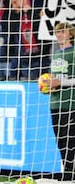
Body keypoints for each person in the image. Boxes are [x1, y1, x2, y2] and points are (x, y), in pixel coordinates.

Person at [48, 22, 75, 181]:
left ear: (70, 34)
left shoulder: (73, 53)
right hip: (55, 102)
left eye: (62, 32)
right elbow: (54, 79)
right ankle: (67, 171)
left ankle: (69, 174)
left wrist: (61, 83)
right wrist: (46, 85)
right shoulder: (55, 54)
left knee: (71, 140)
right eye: (57, 32)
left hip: (70, 103)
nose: (59, 35)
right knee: (60, 140)